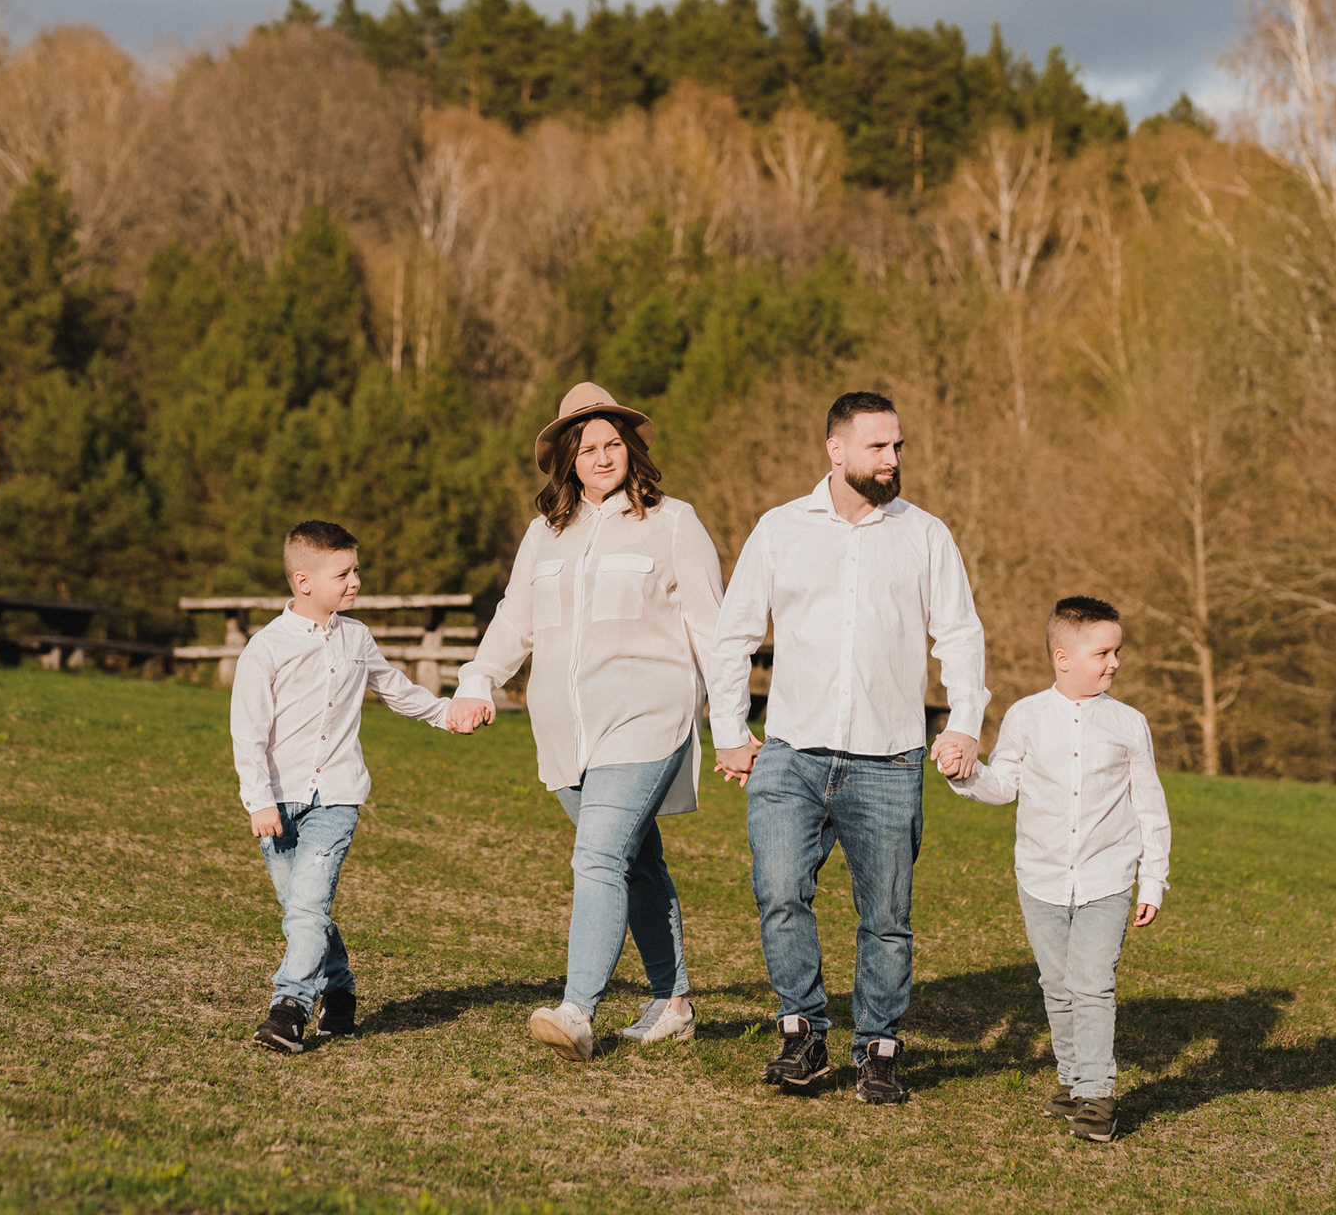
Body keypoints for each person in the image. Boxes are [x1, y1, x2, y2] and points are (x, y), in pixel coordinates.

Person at [709, 390, 990, 1105]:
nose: (892, 459)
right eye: (877, 446)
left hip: (889, 760)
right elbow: (734, 635)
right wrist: (730, 732)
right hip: (791, 755)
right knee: (779, 893)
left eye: (898, 446)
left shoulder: (925, 535)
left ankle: (879, 1048)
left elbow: (960, 635)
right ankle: (801, 1032)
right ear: (836, 450)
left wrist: (963, 721)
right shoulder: (780, 529)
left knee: (887, 920)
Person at [447, 381, 724, 1061]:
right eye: (588, 447)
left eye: (613, 444)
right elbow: (515, 618)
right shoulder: (545, 534)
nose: (603, 457)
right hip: (565, 731)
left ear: (631, 448)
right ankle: (673, 1002)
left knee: (598, 855)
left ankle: (576, 1010)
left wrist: (734, 724)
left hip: (647, 715)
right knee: (636, 860)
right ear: (568, 459)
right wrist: (478, 680)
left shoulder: (674, 522)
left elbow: (713, 631)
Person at [942, 596, 1171, 1143]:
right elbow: (1003, 785)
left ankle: (1097, 1095)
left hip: (1106, 879)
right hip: (1040, 880)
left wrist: (1153, 879)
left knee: (1092, 985)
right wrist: (962, 774)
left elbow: (1150, 807)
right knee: (1058, 986)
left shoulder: (1129, 723)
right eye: (1103, 653)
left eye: (1117, 651)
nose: (1115, 663)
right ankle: (1071, 1080)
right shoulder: (1025, 716)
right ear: (1062, 657)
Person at [233, 520, 454, 1053]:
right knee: (302, 910)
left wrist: (447, 714)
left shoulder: (357, 637)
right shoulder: (266, 648)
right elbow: (248, 731)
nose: (355, 581)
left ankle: (289, 1009)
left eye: (356, 570)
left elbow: (395, 689)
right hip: (278, 801)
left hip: (336, 797)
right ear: (303, 581)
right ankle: (340, 992)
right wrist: (259, 801)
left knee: (307, 907)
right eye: (343, 574)